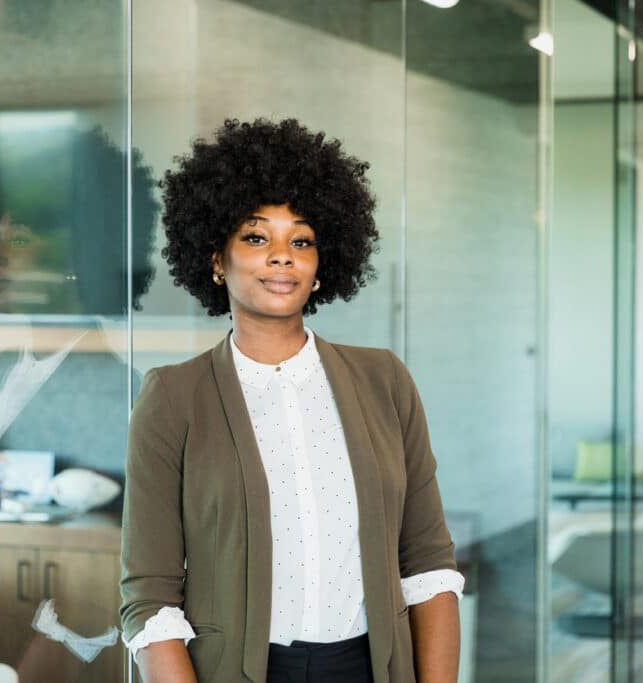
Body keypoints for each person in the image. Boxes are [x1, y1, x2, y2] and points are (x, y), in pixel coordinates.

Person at [120, 118, 464, 683]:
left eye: (300, 241)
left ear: (321, 264)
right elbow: (149, 597)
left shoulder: (385, 380)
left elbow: (427, 564)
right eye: (257, 238)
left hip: (370, 668)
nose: (282, 257)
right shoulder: (173, 398)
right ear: (215, 258)